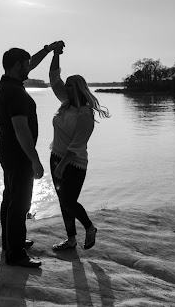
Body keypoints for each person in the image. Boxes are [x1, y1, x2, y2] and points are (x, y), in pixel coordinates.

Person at [0, 41, 64, 268]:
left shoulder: (4, 84)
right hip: (18, 154)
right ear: (16, 66)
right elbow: (21, 130)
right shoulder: (15, 93)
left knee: (10, 198)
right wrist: (35, 160)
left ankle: (10, 242)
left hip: (6, 151)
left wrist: (48, 49)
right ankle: (16, 254)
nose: (30, 67)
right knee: (20, 204)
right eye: (26, 64)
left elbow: (31, 62)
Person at [48, 44, 110, 252]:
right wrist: (55, 54)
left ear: (78, 89)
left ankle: (90, 227)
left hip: (73, 163)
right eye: (66, 87)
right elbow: (54, 78)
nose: (65, 88)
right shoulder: (66, 103)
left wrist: (62, 165)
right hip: (56, 156)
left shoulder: (84, 114)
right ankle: (71, 239)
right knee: (62, 201)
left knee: (68, 201)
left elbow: (76, 145)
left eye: (69, 86)